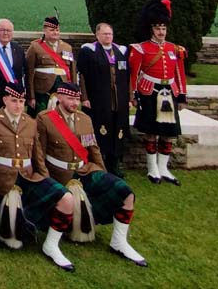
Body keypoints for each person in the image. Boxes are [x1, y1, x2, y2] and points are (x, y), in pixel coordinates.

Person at [36, 81, 147, 266]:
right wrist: (45, 177)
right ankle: (51, 244)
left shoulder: (85, 119)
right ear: (59, 97)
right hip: (58, 173)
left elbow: (93, 149)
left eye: (77, 99)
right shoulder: (45, 118)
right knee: (66, 200)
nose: (74, 103)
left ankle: (119, 241)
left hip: (84, 170)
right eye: (70, 98)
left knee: (126, 193)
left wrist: (103, 174)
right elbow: (39, 153)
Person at [0, 79, 75, 271]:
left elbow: (37, 156)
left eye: (21, 101)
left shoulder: (30, 123)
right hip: (2, 181)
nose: (18, 105)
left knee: (66, 199)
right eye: (14, 101)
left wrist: (45, 178)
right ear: (4, 99)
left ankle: (51, 244)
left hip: (29, 177)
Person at [129, 0, 187, 185]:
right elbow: (134, 74)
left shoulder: (174, 49)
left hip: (169, 93)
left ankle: (164, 168)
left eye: (163, 28)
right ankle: (152, 168)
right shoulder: (141, 49)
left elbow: (180, 74)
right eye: (157, 28)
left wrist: (182, 95)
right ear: (151, 29)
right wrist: (134, 94)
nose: (161, 32)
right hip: (149, 92)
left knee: (168, 132)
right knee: (151, 132)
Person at [77, 22, 131, 177]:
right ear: (97, 35)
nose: (108, 37)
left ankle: (115, 163)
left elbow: (128, 77)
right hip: (99, 100)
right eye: (105, 34)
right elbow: (81, 75)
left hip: (118, 100)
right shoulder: (89, 51)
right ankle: (101, 163)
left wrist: (129, 97)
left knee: (118, 129)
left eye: (110, 34)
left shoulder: (121, 51)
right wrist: (84, 97)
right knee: (101, 131)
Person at [25, 15, 75, 116]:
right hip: (42, 91)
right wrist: (31, 96)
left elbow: (72, 70)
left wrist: (74, 92)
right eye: (52, 30)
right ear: (44, 30)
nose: (55, 32)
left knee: (62, 118)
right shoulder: (35, 47)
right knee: (40, 119)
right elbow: (29, 73)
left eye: (57, 30)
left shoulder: (67, 47)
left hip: (62, 89)